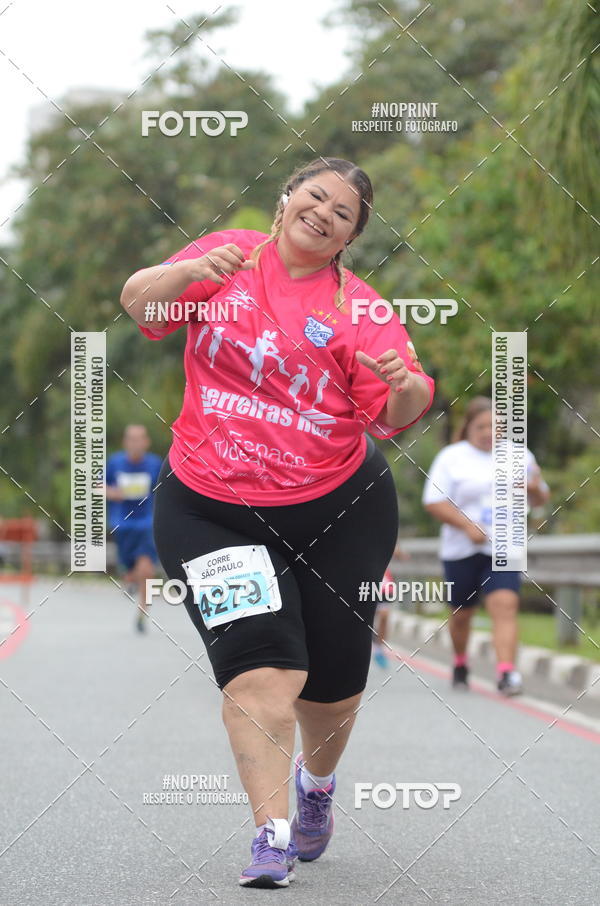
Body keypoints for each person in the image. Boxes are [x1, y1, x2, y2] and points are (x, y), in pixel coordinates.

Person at [120, 157, 435, 888]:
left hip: (337, 508)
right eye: (316, 195)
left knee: (332, 686)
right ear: (287, 198)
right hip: (211, 506)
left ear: (350, 237)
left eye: (344, 213)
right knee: (263, 669)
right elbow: (142, 305)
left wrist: (407, 387)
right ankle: (270, 833)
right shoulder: (224, 255)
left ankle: (317, 787)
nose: (324, 212)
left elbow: (402, 409)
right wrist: (185, 274)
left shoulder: (363, 310)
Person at [422, 396, 549, 695]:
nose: (489, 432)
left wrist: (533, 489)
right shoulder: (452, 457)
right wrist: (466, 525)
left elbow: (541, 497)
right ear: (469, 427)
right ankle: (460, 661)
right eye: (482, 426)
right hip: (460, 548)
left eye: (496, 426)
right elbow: (433, 501)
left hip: (504, 546)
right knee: (461, 614)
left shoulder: (520, 455)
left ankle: (507, 673)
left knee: (505, 606)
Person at [106, 425, 162, 632]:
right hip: (122, 525)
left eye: (139, 439)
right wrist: (110, 492)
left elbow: (166, 489)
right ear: (125, 442)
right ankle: (129, 577)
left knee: (146, 569)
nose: (135, 443)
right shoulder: (115, 462)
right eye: (131, 439)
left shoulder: (155, 464)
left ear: (146, 442)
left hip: (146, 523)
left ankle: (142, 612)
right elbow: (97, 484)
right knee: (130, 572)